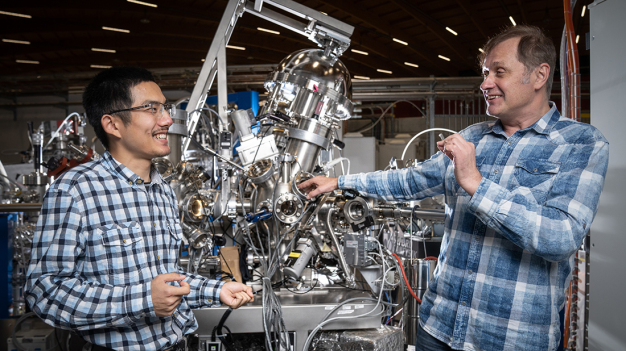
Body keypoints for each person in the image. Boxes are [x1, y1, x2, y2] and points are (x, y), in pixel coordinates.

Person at [299, 25, 608, 351]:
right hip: (439, 326)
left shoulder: (581, 143)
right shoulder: (474, 136)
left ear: (539, 75)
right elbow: (409, 181)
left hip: (510, 339)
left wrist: (475, 183)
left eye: (498, 72)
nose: (485, 83)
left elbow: (560, 237)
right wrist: (339, 182)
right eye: (486, 73)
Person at [25, 67, 254, 351]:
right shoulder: (75, 189)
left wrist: (216, 290)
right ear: (113, 125)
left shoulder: (163, 190)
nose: (168, 120)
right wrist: (144, 300)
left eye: (165, 108)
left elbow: (164, 282)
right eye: (151, 109)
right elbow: (45, 292)